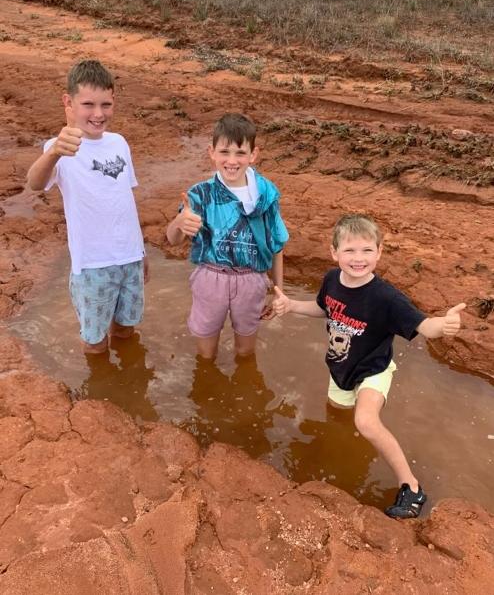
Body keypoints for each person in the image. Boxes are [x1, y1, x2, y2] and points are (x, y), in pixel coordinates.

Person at [272, 213, 465, 519]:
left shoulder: (386, 298)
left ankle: (411, 487)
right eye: (349, 250)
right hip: (340, 368)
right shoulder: (331, 280)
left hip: (374, 369)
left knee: (365, 421)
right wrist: (292, 305)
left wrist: (445, 324)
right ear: (334, 252)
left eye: (366, 250)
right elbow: (324, 309)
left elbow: (425, 327)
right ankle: (343, 453)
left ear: (379, 252)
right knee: (337, 418)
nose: (358, 258)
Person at [27, 59, 148, 354]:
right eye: (88, 104)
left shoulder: (119, 143)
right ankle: (99, 393)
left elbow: (126, 200)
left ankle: (127, 386)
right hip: (93, 264)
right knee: (95, 342)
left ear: (114, 101)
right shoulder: (61, 147)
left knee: (126, 329)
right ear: (68, 102)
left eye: (106, 104)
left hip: (130, 258)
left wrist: (141, 251)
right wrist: (54, 152)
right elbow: (34, 182)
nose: (98, 113)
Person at [166, 113, 288, 359]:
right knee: (206, 353)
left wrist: (279, 291)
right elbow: (173, 239)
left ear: (253, 155)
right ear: (211, 152)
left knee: (245, 351)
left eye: (240, 153)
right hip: (211, 278)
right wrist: (179, 222)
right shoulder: (200, 194)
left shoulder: (267, 195)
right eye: (224, 152)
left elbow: (277, 246)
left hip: (251, 281)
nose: (232, 161)